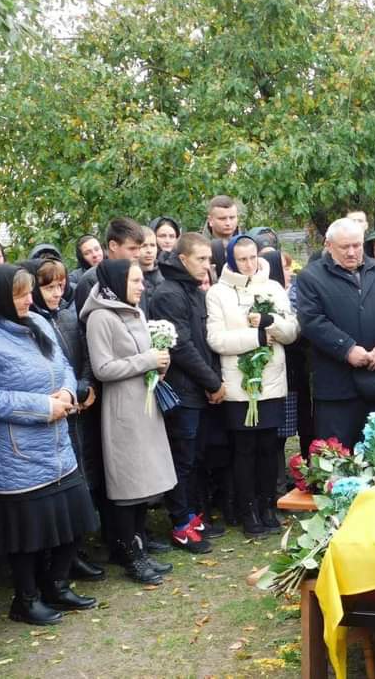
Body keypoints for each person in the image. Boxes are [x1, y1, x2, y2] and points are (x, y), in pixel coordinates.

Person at [0, 265, 98, 626]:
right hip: (15, 453)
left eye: (27, 292)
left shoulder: (36, 322)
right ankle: (26, 598)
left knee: (75, 518)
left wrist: (68, 392)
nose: (26, 300)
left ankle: (56, 584)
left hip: (57, 444)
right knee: (27, 535)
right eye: (18, 294)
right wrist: (42, 407)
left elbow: (63, 364)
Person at [82, 259, 177, 585]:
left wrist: (159, 365)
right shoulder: (100, 317)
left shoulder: (132, 310)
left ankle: (141, 547)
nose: (142, 286)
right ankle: (130, 556)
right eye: (135, 281)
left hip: (145, 406)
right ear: (117, 282)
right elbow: (103, 368)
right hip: (123, 411)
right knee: (127, 487)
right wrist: (146, 360)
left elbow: (141, 358)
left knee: (144, 484)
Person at [206, 236, 299, 537]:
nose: (248, 264)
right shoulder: (218, 293)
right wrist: (255, 337)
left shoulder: (273, 287)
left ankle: (267, 506)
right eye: (242, 259)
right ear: (231, 261)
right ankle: (247, 511)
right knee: (244, 449)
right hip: (239, 384)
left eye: (252, 258)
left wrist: (269, 322)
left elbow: (291, 331)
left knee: (269, 447)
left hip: (271, 381)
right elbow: (217, 339)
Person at [23, 257, 104, 582]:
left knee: (86, 474)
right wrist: (67, 395)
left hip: (81, 402)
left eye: (60, 286)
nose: (57, 293)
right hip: (56, 410)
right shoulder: (32, 323)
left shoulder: (69, 314)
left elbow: (84, 352)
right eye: (48, 288)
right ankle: (63, 558)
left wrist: (85, 385)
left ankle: (78, 549)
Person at [148, 233, 227, 553]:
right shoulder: (168, 293)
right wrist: (213, 382)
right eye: (201, 259)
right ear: (182, 259)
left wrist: (212, 380)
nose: (207, 265)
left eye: (209, 259)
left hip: (198, 389)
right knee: (182, 460)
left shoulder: (192, 290)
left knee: (195, 458)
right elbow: (182, 347)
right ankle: (180, 523)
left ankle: (193, 515)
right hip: (182, 391)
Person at [295, 218, 375, 448]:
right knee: (337, 457)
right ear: (328, 246)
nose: (352, 252)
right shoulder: (311, 277)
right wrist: (346, 348)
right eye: (344, 247)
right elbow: (311, 320)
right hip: (336, 387)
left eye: (356, 245)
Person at [73, 218, 145, 315]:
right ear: (113, 246)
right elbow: (88, 321)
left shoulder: (138, 274)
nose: (138, 254)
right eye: (132, 248)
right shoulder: (90, 281)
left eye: (140, 248)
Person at [202, 195, 241, 277]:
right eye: (222, 219)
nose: (228, 223)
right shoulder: (196, 247)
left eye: (232, 218)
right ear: (210, 220)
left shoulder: (250, 244)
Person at [138, 226, 164, 294]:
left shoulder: (166, 276)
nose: (149, 250)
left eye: (152, 245)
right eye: (144, 246)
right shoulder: (127, 278)